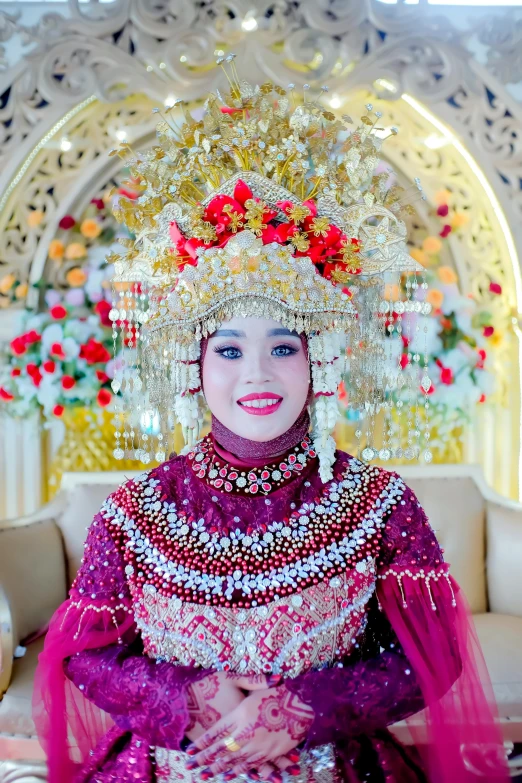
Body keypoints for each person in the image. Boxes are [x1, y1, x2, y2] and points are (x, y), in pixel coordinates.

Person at [33, 65, 509, 783]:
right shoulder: (134, 514)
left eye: (282, 346)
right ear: (195, 363)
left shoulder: (378, 503)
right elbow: (84, 656)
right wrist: (184, 696)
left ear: (319, 358)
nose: (256, 374)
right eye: (229, 348)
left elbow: (432, 655)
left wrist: (301, 708)